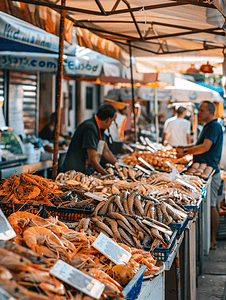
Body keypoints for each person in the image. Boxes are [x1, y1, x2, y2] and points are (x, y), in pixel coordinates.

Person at [176, 101, 223, 250]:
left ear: (210, 112)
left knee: (212, 205)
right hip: (205, 171)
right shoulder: (208, 126)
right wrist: (186, 148)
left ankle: (212, 241)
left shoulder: (214, 127)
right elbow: (199, 144)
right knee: (211, 204)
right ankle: (210, 239)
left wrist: (185, 152)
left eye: (202, 110)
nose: (199, 112)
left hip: (210, 172)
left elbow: (205, 147)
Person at [62, 103, 117, 175]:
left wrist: (116, 163)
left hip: (83, 170)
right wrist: (107, 175)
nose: (111, 124)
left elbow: (106, 150)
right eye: (112, 121)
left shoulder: (100, 128)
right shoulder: (90, 128)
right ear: (108, 119)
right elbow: (92, 160)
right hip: (74, 172)